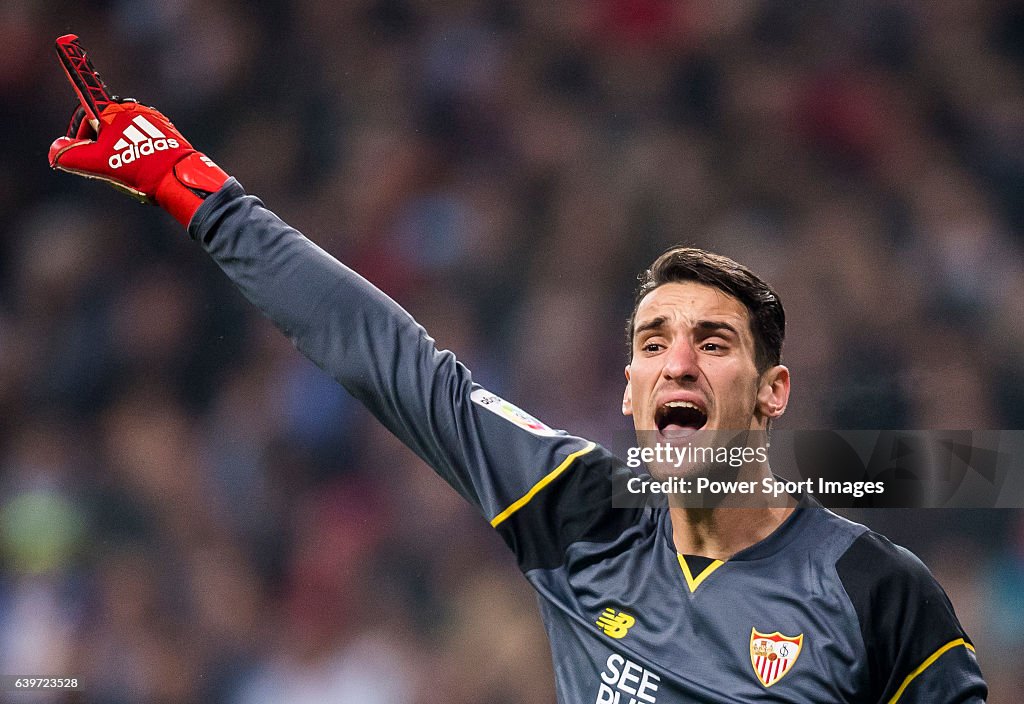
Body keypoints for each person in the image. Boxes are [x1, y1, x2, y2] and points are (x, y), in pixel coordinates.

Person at [49, 91, 988, 702]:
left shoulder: (880, 596)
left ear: (773, 392)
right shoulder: (582, 513)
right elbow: (390, 360)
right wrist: (192, 187)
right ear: (629, 392)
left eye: (714, 343)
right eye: (653, 345)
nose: (679, 366)